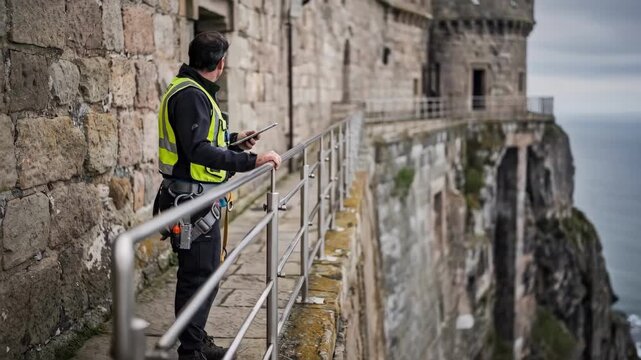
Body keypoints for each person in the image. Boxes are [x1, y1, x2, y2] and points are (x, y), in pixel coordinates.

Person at [154, 31, 282, 360]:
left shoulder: (193, 91)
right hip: (191, 203)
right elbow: (197, 151)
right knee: (198, 278)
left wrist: (237, 139)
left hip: (195, 199)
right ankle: (191, 352)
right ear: (220, 64)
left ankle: (196, 341)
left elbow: (203, 139)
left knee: (204, 275)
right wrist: (251, 160)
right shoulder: (192, 95)